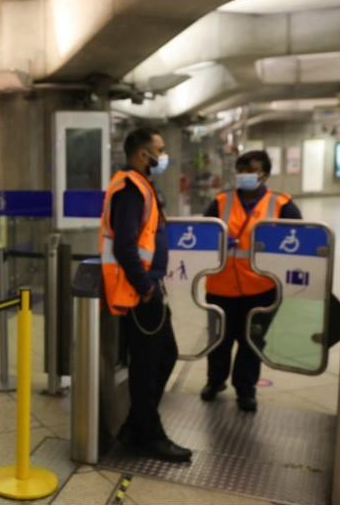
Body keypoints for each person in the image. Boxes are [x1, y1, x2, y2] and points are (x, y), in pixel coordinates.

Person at [100, 127, 191, 463]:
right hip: (137, 291)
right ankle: (149, 434)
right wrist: (146, 287)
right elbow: (125, 246)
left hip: (143, 287)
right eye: (161, 150)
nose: (164, 156)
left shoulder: (139, 185)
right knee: (150, 362)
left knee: (159, 357)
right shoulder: (131, 188)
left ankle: (135, 426)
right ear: (143, 155)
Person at [201, 150, 302, 412]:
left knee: (251, 341)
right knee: (219, 339)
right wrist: (219, 240)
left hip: (261, 289)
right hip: (221, 287)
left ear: (264, 174)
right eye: (241, 171)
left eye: (251, 171)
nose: (245, 176)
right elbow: (202, 235)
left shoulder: (281, 204)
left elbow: (300, 239)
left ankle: (246, 390)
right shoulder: (221, 201)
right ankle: (215, 381)